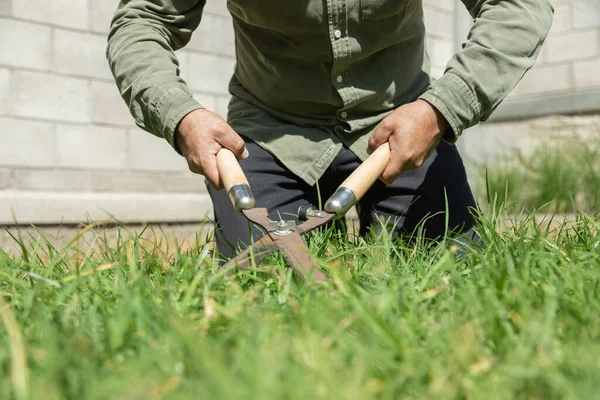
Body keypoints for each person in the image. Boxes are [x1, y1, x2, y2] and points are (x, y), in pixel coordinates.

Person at [107, 0, 553, 258]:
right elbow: (143, 21)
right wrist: (180, 115)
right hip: (270, 137)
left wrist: (440, 109)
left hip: (401, 132)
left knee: (451, 271)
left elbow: (518, 7)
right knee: (261, 286)